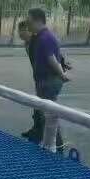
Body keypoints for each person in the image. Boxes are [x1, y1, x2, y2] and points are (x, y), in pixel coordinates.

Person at [27, 8, 69, 152]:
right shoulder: (42, 37)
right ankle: (50, 144)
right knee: (45, 115)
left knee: (49, 116)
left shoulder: (45, 38)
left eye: (29, 21)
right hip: (44, 81)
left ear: (38, 20)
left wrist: (62, 75)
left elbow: (52, 60)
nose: (28, 24)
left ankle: (57, 147)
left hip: (48, 81)